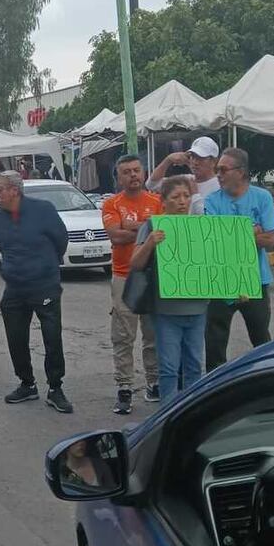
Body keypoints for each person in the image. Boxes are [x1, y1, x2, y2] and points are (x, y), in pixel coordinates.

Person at [0, 171, 74, 414]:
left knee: (52, 337)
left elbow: (61, 239)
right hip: (14, 287)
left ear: (14, 190)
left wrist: (46, 264)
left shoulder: (43, 209)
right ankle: (27, 383)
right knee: (16, 337)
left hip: (44, 284)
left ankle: (55, 387)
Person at [130, 177, 208, 405]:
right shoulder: (154, 226)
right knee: (169, 367)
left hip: (197, 306)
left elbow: (215, 262)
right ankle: (168, 415)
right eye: (175, 197)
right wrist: (151, 243)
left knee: (194, 365)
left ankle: (192, 410)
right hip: (166, 310)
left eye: (186, 196)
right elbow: (135, 263)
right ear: (163, 201)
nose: (182, 202)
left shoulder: (202, 226)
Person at [204, 148, 274, 371]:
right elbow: (213, 241)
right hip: (221, 279)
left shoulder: (262, 197)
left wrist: (234, 234)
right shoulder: (212, 200)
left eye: (223, 169)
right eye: (217, 170)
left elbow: (270, 239)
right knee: (215, 340)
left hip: (255, 278)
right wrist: (251, 232)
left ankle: (266, 378)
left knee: (260, 336)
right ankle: (214, 385)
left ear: (241, 172)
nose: (218, 174)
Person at [102, 154, 161, 414]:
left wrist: (131, 226)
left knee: (153, 334)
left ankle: (154, 383)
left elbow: (164, 231)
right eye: (126, 172)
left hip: (152, 275)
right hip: (123, 276)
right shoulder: (111, 204)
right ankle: (124, 387)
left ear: (144, 172)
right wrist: (147, 228)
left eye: (137, 170)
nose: (133, 175)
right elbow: (115, 235)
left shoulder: (157, 201)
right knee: (123, 335)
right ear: (119, 177)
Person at [146, 137, 221, 214]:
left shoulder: (220, 185)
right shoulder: (186, 180)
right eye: (192, 157)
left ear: (213, 161)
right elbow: (151, 184)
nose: (195, 162)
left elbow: (209, 219)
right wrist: (168, 160)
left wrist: (195, 195)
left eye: (200, 158)